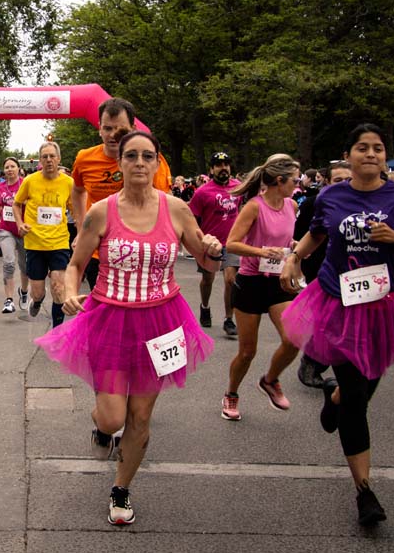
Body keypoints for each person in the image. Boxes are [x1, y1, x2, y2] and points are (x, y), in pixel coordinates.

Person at [36, 130, 219, 526]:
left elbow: (205, 258)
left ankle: (121, 488)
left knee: (140, 417)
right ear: (120, 165)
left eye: (146, 156)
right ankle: (102, 431)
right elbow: (75, 263)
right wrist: (69, 291)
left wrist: (214, 250)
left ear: (157, 164)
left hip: (162, 321)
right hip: (110, 318)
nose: (139, 162)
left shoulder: (177, 209)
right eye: (131, 156)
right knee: (113, 417)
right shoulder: (102, 211)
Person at [280, 123, 394, 527]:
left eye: (378, 149)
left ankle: (335, 397)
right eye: (362, 148)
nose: (370, 154)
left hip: (385, 305)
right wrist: (294, 257)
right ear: (348, 155)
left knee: (361, 388)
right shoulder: (330, 195)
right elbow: (315, 235)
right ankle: (364, 491)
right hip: (340, 301)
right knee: (359, 399)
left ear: (385, 157)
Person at [221, 154, 301, 421]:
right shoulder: (254, 207)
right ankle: (231, 393)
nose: (297, 184)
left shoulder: (291, 206)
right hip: (251, 282)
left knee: (293, 340)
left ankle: (270, 380)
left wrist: (297, 250)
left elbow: (287, 238)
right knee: (247, 351)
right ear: (280, 180)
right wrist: (261, 251)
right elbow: (231, 243)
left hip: (278, 281)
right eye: (294, 180)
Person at [70, 98, 172, 290]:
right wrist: (81, 228)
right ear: (99, 128)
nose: (113, 135)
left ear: (132, 128)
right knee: (104, 307)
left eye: (119, 129)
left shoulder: (150, 160)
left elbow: (164, 204)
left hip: (139, 249)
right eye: (107, 128)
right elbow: (77, 191)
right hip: (98, 251)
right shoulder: (85, 158)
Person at [295, 161, 352, 388]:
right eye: (338, 180)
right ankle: (312, 362)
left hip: (352, 272)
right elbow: (301, 235)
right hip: (320, 268)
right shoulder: (314, 203)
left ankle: (344, 369)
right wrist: (297, 261)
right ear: (327, 182)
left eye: (349, 180)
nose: (345, 185)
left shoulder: (363, 204)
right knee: (329, 322)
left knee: (347, 323)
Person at [13, 142, 74, 327]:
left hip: (59, 242)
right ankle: (37, 301)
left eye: (52, 156)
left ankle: (57, 330)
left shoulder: (68, 182)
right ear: (40, 160)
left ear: (59, 159)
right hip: (34, 243)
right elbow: (17, 204)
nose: (48, 160)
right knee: (37, 292)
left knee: (58, 286)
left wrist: (82, 231)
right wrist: (20, 224)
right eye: (45, 156)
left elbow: (75, 208)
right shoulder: (30, 181)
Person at [188, 151, 242, 336]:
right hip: (210, 243)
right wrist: (198, 240)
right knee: (208, 279)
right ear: (211, 169)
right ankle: (205, 306)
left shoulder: (238, 187)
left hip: (232, 242)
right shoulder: (202, 192)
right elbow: (192, 219)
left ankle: (229, 319)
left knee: (231, 280)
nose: (223, 168)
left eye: (226, 164)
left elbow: (242, 209)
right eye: (219, 165)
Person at [0, 157, 29, 313]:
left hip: (24, 230)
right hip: (6, 229)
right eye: (6, 167)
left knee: (25, 266)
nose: (9, 169)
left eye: (12, 166)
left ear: (18, 168)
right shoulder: (0, 187)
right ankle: (9, 300)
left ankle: (24, 291)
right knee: (9, 262)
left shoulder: (26, 184)